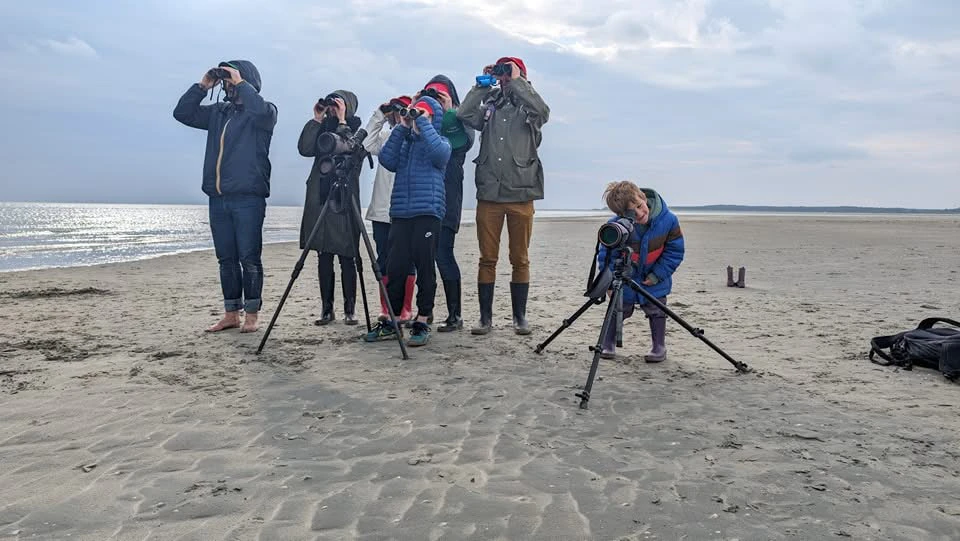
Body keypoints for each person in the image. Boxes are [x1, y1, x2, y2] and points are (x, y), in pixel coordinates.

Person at [173, 60, 278, 334]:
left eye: (232, 79)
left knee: (249, 258)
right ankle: (231, 313)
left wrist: (240, 82)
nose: (228, 85)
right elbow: (182, 113)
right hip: (218, 198)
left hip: (248, 197)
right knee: (226, 260)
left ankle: (252, 315)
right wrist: (204, 85)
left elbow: (260, 109)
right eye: (227, 80)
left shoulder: (264, 113)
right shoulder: (219, 113)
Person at [457, 56, 549, 336]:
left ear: (521, 74)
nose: (505, 77)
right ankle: (485, 319)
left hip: (521, 192)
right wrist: (481, 86)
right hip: (490, 193)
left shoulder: (529, 104)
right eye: (502, 71)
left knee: (519, 258)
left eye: (508, 71)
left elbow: (543, 112)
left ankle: (519, 317)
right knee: (488, 258)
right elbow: (463, 115)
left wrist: (519, 81)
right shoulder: (490, 105)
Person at [365, 96, 451, 347]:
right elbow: (387, 160)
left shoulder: (441, 142)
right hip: (401, 213)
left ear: (433, 117)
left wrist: (423, 124)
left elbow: (440, 155)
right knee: (396, 267)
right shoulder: (405, 143)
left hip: (428, 212)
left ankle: (422, 319)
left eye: (423, 113)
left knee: (425, 267)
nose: (416, 117)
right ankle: (392, 321)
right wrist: (402, 126)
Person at [596, 181, 685, 363]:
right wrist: (610, 282)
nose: (638, 213)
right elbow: (606, 256)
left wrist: (657, 275)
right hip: (625, 277)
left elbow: (675, 251)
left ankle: (659, 346)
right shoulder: (616, 227)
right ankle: (608, 343)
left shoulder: (668, 220)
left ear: (644, 198)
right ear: (620, 215)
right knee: (617, 309)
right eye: (631, 213)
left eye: (639, 206)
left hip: (655, 278)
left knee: (657, 309)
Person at [297, 90, 362, 326]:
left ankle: (350, 309)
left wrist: (343, 120)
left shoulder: (356, 129)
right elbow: (304, 148)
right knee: (323, 255)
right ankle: (326, 309)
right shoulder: (322, 130)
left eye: (338, 104)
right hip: (321, 197)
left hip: (343, 200)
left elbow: (349, 147)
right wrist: (316, 119)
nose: (333, 108)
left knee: (347, 256)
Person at [417, 75, 475, 332]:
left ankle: (455, 315)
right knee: (422, 257)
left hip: (448, 196)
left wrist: (450, 109)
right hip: (424, 196)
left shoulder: (460, 119)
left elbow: (464, 143)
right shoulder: (424, 122)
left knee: (443, 253)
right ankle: (424, 313)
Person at [362, 95, 417, 323]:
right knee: (384, 260)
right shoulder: (385, 137)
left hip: (405, 209)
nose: (398, 113)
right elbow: (367, 144)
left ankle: (405, 308)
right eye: (396, 110)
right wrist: (380, 114)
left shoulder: (414, 138)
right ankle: (386, 307)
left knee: (408, 261)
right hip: (382, 209)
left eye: (403, 109)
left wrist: (412, 119)